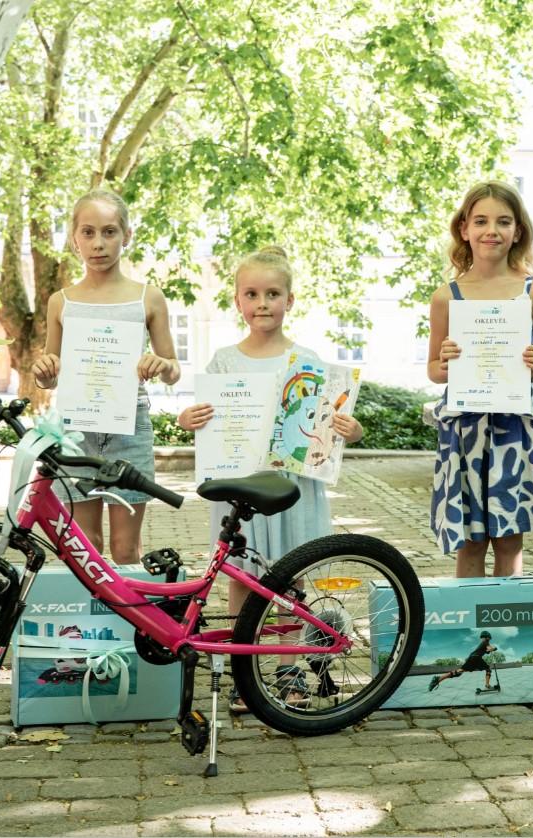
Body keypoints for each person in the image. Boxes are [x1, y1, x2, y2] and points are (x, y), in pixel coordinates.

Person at [177, 245, 364, 712]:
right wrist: (189, 419)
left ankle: (288, 673)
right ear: (238, 301)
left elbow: (328, 427)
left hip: (291, 488)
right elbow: (208, 419)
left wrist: (349, 429)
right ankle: (245, 676)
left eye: (273, 294)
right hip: (241, 487)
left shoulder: (307, 362)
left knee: (290, 581)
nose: (262, 303)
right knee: (241, 577)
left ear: (290, 300)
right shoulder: (224, 362)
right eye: (252, 294)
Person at [426, 181, 533, 578]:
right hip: (467, 430)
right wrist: (446, 362)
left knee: (510, 540)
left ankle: (506, 618)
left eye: (503, 221)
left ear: (518, 231)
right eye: (481, 221)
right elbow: (434, 370)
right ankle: (469, 619)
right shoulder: (446, 296)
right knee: (470, 541)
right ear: (464, 229)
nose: (491, 230)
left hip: (516, 428)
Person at [30, 189, 181, 564]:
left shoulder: (148, 298)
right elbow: (51, 374)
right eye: (88, 232)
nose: (98, 243)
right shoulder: (61, 301)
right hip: (76, 429)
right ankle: (88, 607)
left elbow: (173, 370)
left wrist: (161, 365)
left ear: (126, 235)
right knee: (85, 547)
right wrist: (44, 372)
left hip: (129, 425)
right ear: (74, 238)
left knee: (126, 548)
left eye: (109, 232)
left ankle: (130, 606)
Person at [428, 631, 496, 691]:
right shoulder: (485, 642)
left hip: (473, 657)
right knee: (488, 669)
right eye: (486, 638)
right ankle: (487, 685)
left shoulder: (483, 643)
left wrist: (490, 649)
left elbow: (487, 650)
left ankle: (438, 679)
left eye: (483, 637)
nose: (483, 639)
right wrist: (494, 648)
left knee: (460, 672)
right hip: (476, 658)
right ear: (487, 637)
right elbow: (489, 648)